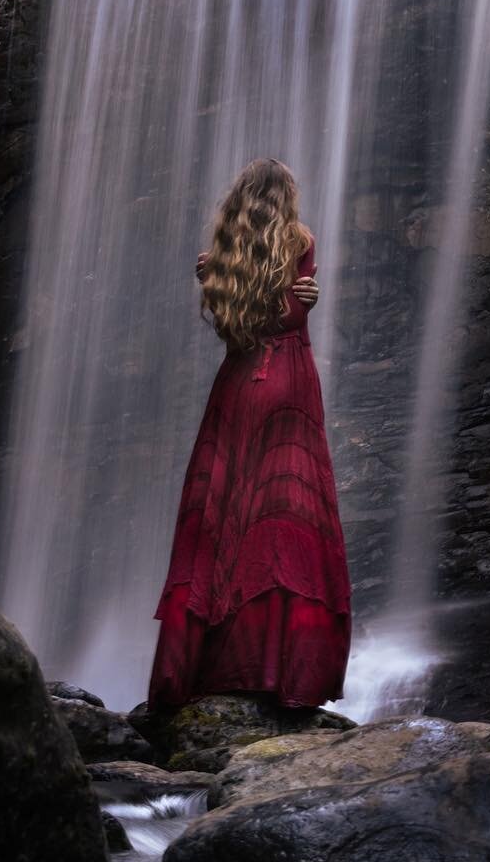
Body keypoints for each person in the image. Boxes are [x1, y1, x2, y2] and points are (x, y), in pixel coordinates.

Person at [148, 157, 352, 711]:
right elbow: (288, 318)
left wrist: (212, 279)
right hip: (286, 385)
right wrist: (306, 300)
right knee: (283, 517)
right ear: (287, 196)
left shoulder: (223, 251)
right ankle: (282, 671)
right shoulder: (299, 240)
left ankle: (201, 669)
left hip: (238, 387)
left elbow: (232, 324)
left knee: (223, 513)